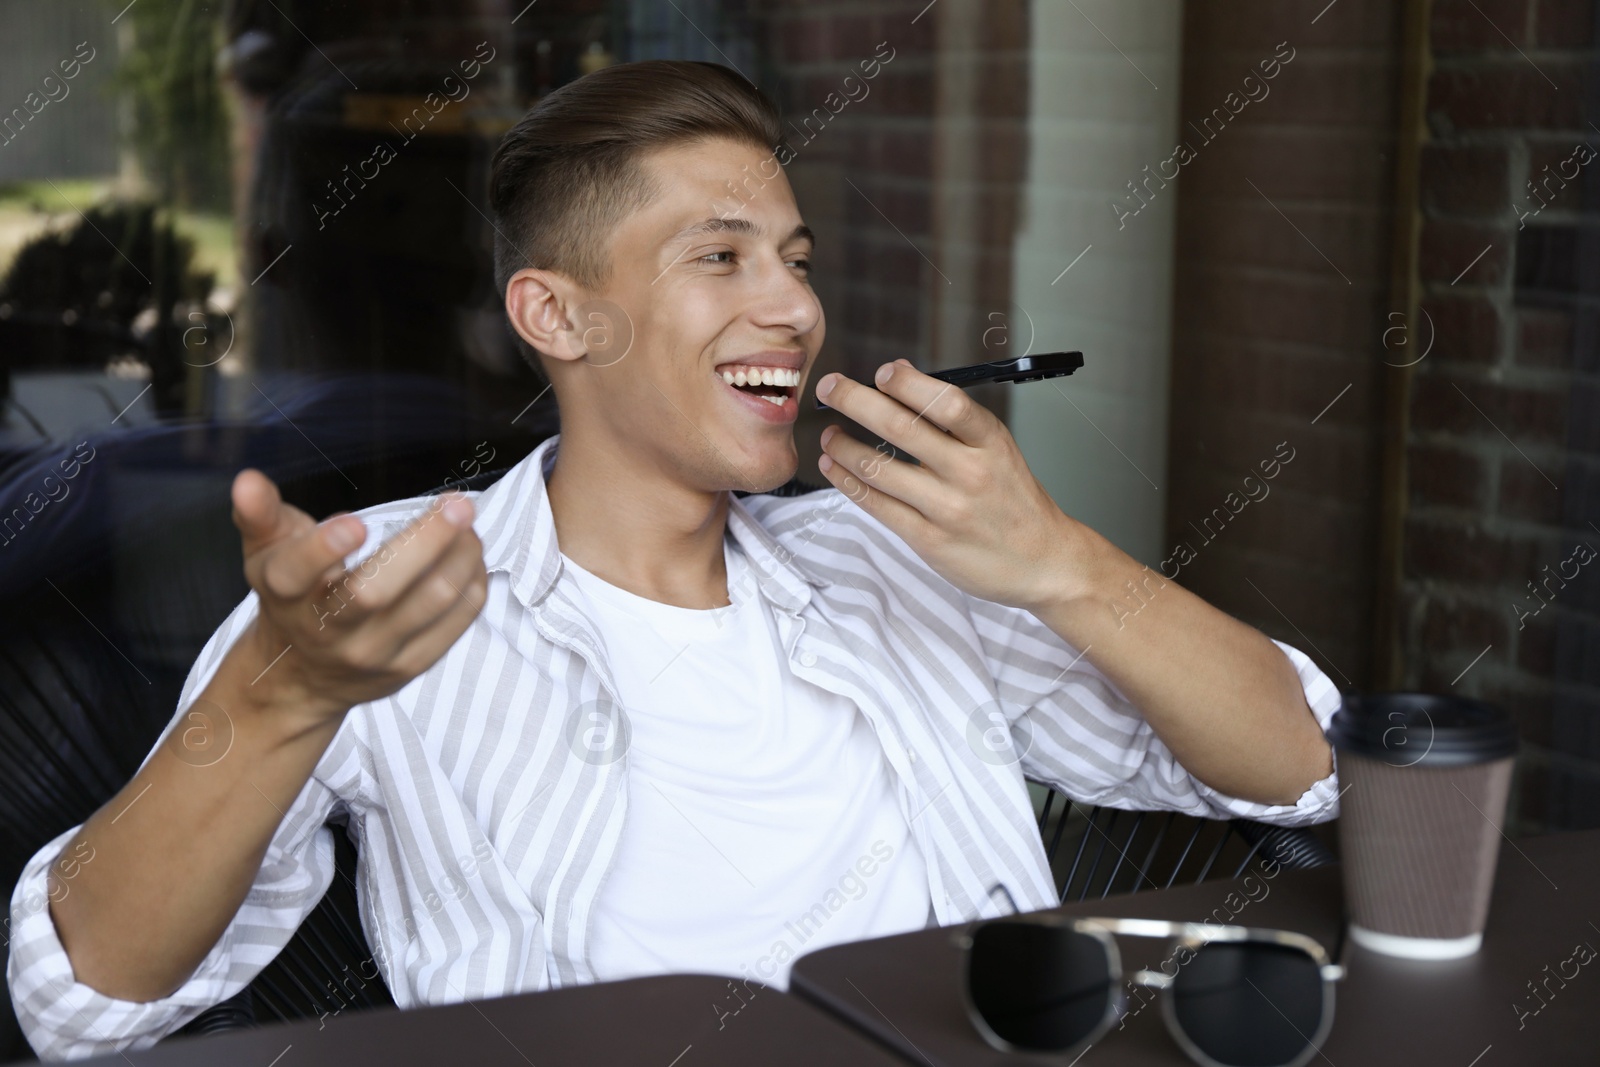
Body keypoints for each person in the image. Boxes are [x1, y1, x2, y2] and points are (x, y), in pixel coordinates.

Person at [7, 60, 1339, 1060]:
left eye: (797, 259)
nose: (798, 306)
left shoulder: (895, 561)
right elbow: (77, 1003)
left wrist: (1059, 561)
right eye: (723, 255)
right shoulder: (386, 602)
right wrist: (278, 696)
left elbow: (1310, 767)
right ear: (558, 314)